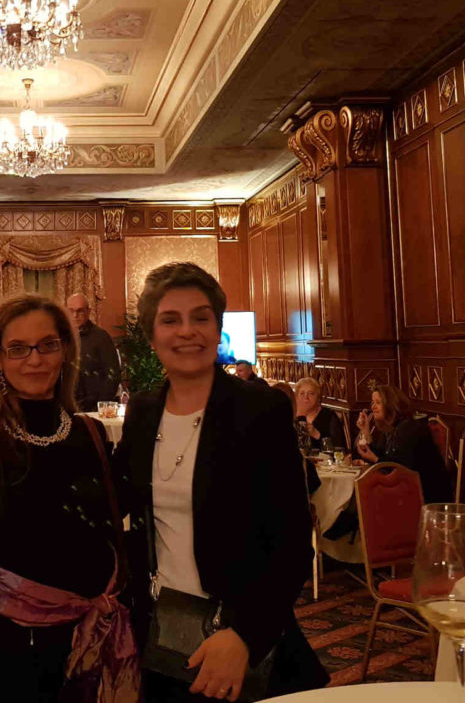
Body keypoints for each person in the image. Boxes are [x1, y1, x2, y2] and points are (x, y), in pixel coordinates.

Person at [114, 262, 327, 701]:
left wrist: (246, 635)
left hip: (238, 637)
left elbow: (292, 543)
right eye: (170, 320)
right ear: (152, 337)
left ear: (217, 330)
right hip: (164, 631)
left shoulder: (259, 410)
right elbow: (114, 502)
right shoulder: (143, 411)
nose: (186, 331)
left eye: (201, 317)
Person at [0, 294, 138, 703]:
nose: (35, 359)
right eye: (18, 348)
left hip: (97, 640)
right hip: (16, 649)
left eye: (48, 345)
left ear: (65, 351)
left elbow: (109, 522)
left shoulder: (90, 434)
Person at [355, 384, 451, 503]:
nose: (373, 407)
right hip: (406, 488)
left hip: (427, 494)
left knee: (366, 497)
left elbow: (401, 468)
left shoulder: (409, 428)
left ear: (391, 404)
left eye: (378, 403)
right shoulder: (392, 427)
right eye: (372, 402)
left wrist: (375, 459)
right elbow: (383, 454)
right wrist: (365, 430)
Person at [66, 293, 121, 414]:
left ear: (88, 311)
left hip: (93, 408)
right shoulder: (61, 336)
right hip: (67, 406)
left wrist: (100, 405)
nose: (75, 315)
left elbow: (113, 374)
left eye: (80, 311)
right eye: (71, 311)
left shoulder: (101, 337)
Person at [293, 377, 347, 453]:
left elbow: (339, 449)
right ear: (296, 397)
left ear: (318, 397)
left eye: (311, 394)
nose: (306, 398)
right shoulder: (291, 415)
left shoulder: (329, 417)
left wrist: (317, 435)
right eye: (302, 393)